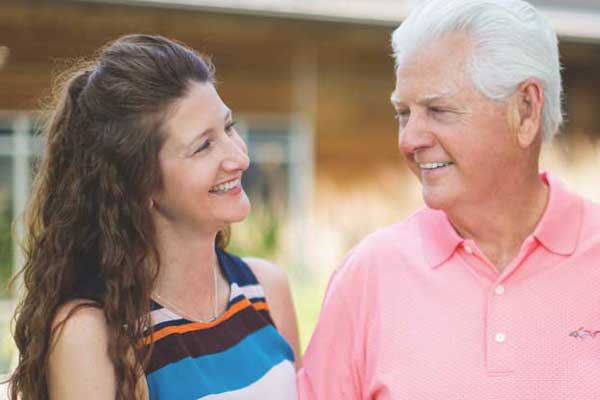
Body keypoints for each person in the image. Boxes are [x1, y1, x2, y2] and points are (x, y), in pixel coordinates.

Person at [298, 0, 600, 399]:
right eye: (403, 113)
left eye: (438, 110)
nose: (409, 140)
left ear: (525, 110)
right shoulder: (367, 276)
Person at [8, 34, 300, 400]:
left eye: (228, 127)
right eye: (203, 145)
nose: (240, 158)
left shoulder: (267, 289)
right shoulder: (92, 335)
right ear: (140, 182)